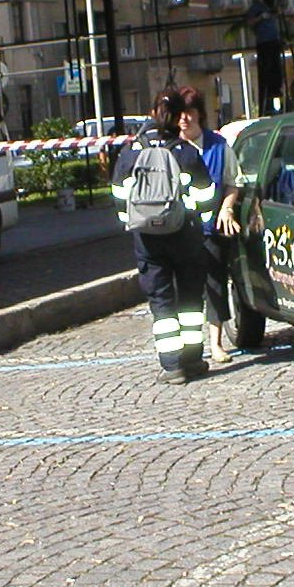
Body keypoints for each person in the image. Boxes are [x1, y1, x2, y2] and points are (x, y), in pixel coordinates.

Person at [110, 88, 217, 384]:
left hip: (147, 239)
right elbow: (206, 195)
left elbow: (119, 194)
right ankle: (193, 359)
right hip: (185, 236)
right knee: (191, 300)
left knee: (161, 301)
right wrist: (198, 220)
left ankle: (172, 367)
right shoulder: (185, 152)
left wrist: (131, 223)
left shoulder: (131, 152)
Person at [177, 86, 241, 366]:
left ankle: (216, 344)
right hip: (179, 232)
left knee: (215, 285)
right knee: (186, 290)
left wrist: (227, 208)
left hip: (211, 230)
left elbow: (233, 182)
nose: (185, 119)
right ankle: (190, 348)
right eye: (180, 113)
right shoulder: (169, 149)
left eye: (190, 113)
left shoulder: (218, 145)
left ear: (199, 115)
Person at [245, 0, 285, 116]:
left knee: (276, 68)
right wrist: (261, 17)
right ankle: (267, 100)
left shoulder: (270, 5)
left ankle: (276, 92)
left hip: (274, 41)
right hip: (264, 42)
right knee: (266, 70)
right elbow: (249, 22)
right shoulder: (255, 8)